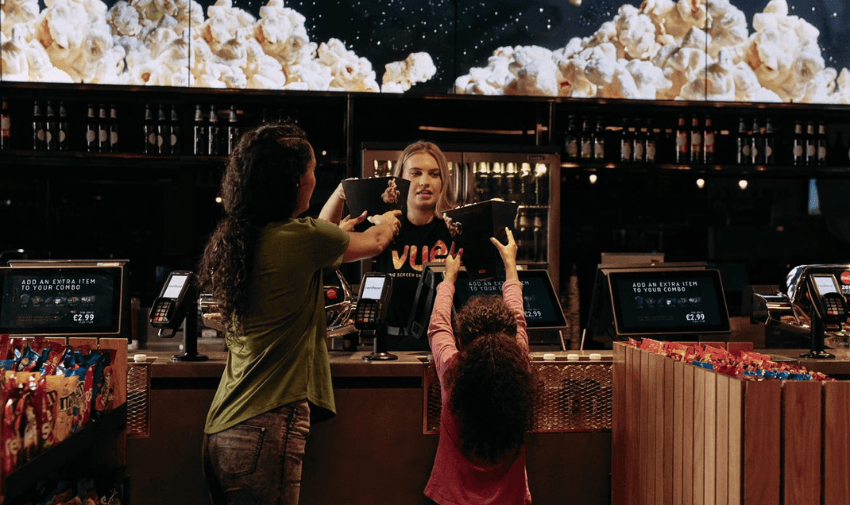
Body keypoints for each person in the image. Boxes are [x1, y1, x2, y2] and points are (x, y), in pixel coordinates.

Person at [198, 121, 400, 505]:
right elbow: (375, 241)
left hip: (222, 431)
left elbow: (315, 236)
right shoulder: (302, 239)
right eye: (310, 170)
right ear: (292, 181)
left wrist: (339, 209)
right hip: (266, 427)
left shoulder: (247, 235)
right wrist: (389, 218)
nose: (314, 177)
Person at [425, 229, 536, 505]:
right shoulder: (519, 363)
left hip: (451, 499)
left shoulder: (452, 368)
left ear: (461, 340)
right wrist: (510, 263)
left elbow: (438, 325)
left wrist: (449, 278)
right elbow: (519, 317)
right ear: (509, 337)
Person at [319, 141, 456, 349]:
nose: (425, 182)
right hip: (391, 346)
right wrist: (340, 192)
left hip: (444, 345)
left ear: (443, 181)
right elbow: (322, 239)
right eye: (416, 173)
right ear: (399, 180)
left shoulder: (453, 228)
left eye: (434, 174)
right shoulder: (385, 224)